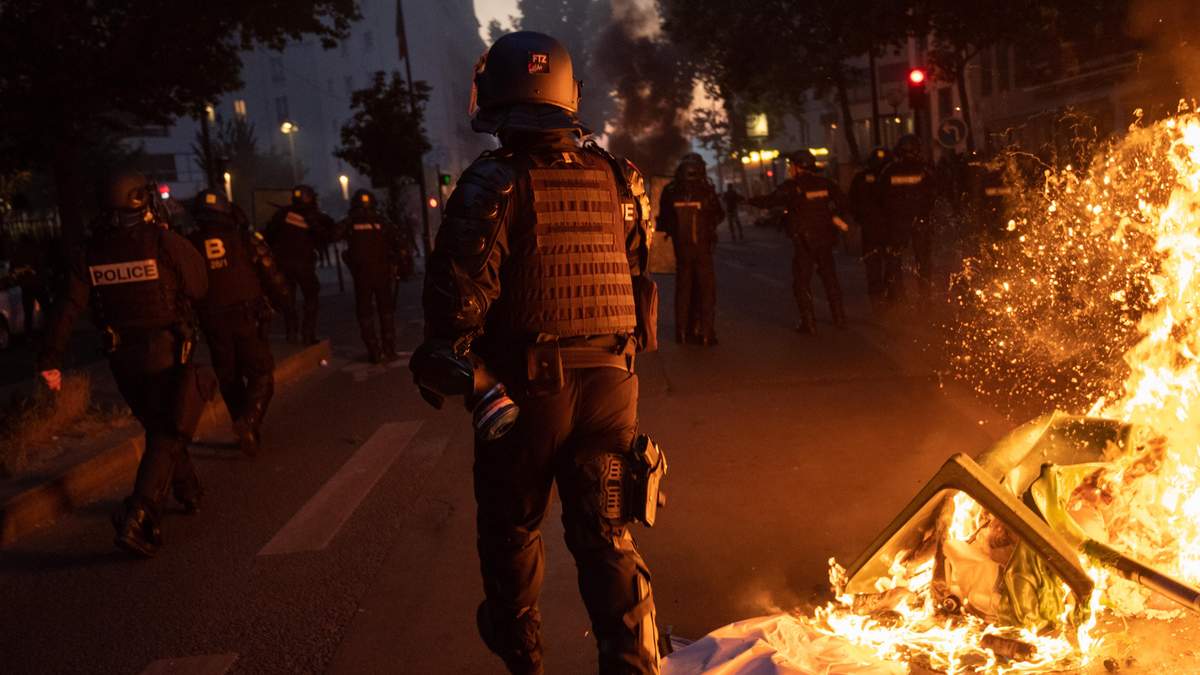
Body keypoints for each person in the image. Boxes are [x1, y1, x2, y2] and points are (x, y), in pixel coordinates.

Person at [409, 30, 663, 675]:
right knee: (607, 538)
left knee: (512, 529)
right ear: (567, 93)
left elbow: (454, 312)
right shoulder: (623, 178)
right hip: (613, 384)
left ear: (495, 91)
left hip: (527, 393)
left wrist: (461, 371)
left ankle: (524, 657)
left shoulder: (493, 180)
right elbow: (638, 279)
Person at [39, 170, 211, 557]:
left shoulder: (91, 251)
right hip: (166, 351)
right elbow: (199, 287)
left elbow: (68, 307)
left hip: (121, 358)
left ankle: (188, 490)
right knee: (171, 427)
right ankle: (140, 514)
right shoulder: (163, 241)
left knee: (159, 425)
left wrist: (51, 359)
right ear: (140, 199)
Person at [188, 189, 291, 456]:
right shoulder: (244, 238)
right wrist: (284, 302)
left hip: (212, 321)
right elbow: (270, 270)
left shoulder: (188, 245)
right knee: (261, 372)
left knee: (229, 377)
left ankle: (245, 428)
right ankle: (249, 421)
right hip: (247, 317)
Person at [748, 149, 851, 333]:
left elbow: (770, 201)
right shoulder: (827, 183)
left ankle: (808, 322)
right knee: (830, 278)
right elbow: (843, 203)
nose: (790, 169)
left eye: (791, 165)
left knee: (801, 282)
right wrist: (833, 217)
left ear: (797, 167)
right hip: (825, 238)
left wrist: (750, 200)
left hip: (804, 241)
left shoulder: (791, 186)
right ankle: (839, 317)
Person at [658, 153, 723, 345]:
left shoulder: (670, 190)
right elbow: (719, 214)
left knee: (683, 289)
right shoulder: (706, 190)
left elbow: (663, 220)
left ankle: (682, 332)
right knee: (706, 290)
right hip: (703, 249)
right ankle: (706, 333)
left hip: (681, 249)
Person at [335, 189, 403, 363]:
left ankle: (375, 351)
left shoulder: (351, 222)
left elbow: (334, 234)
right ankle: (389, 349)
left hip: (362, 276)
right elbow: (398, 241)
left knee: (365, 313)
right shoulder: (382, 221)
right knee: (385, 311)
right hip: (382, 274)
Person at [264, 184, 333, 344]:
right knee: (311, 297)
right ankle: (307, 334)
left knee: (289, 300)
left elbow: (269, 234)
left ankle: (291, 332)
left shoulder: (282, 214)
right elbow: (328, 234)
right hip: (304, 264)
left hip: (283, 263)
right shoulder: (314, 216)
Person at [879, 134, 937, 303]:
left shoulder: (889, 170)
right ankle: (925, 297)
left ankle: (897, 296)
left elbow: (881, 196)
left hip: (897, 222)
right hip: (920, 221)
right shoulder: (925, 170)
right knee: (923, 260)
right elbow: (934, 194)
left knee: (894, 259)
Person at [849, 147, 891, 307]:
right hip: (889, 229)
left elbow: (852, 202)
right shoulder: (891, 176)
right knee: (891, 263)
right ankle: (892, 298)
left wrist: (860, 219)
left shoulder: (860, 178)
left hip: (870, 230)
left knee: (873, 267)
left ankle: (877, 300)